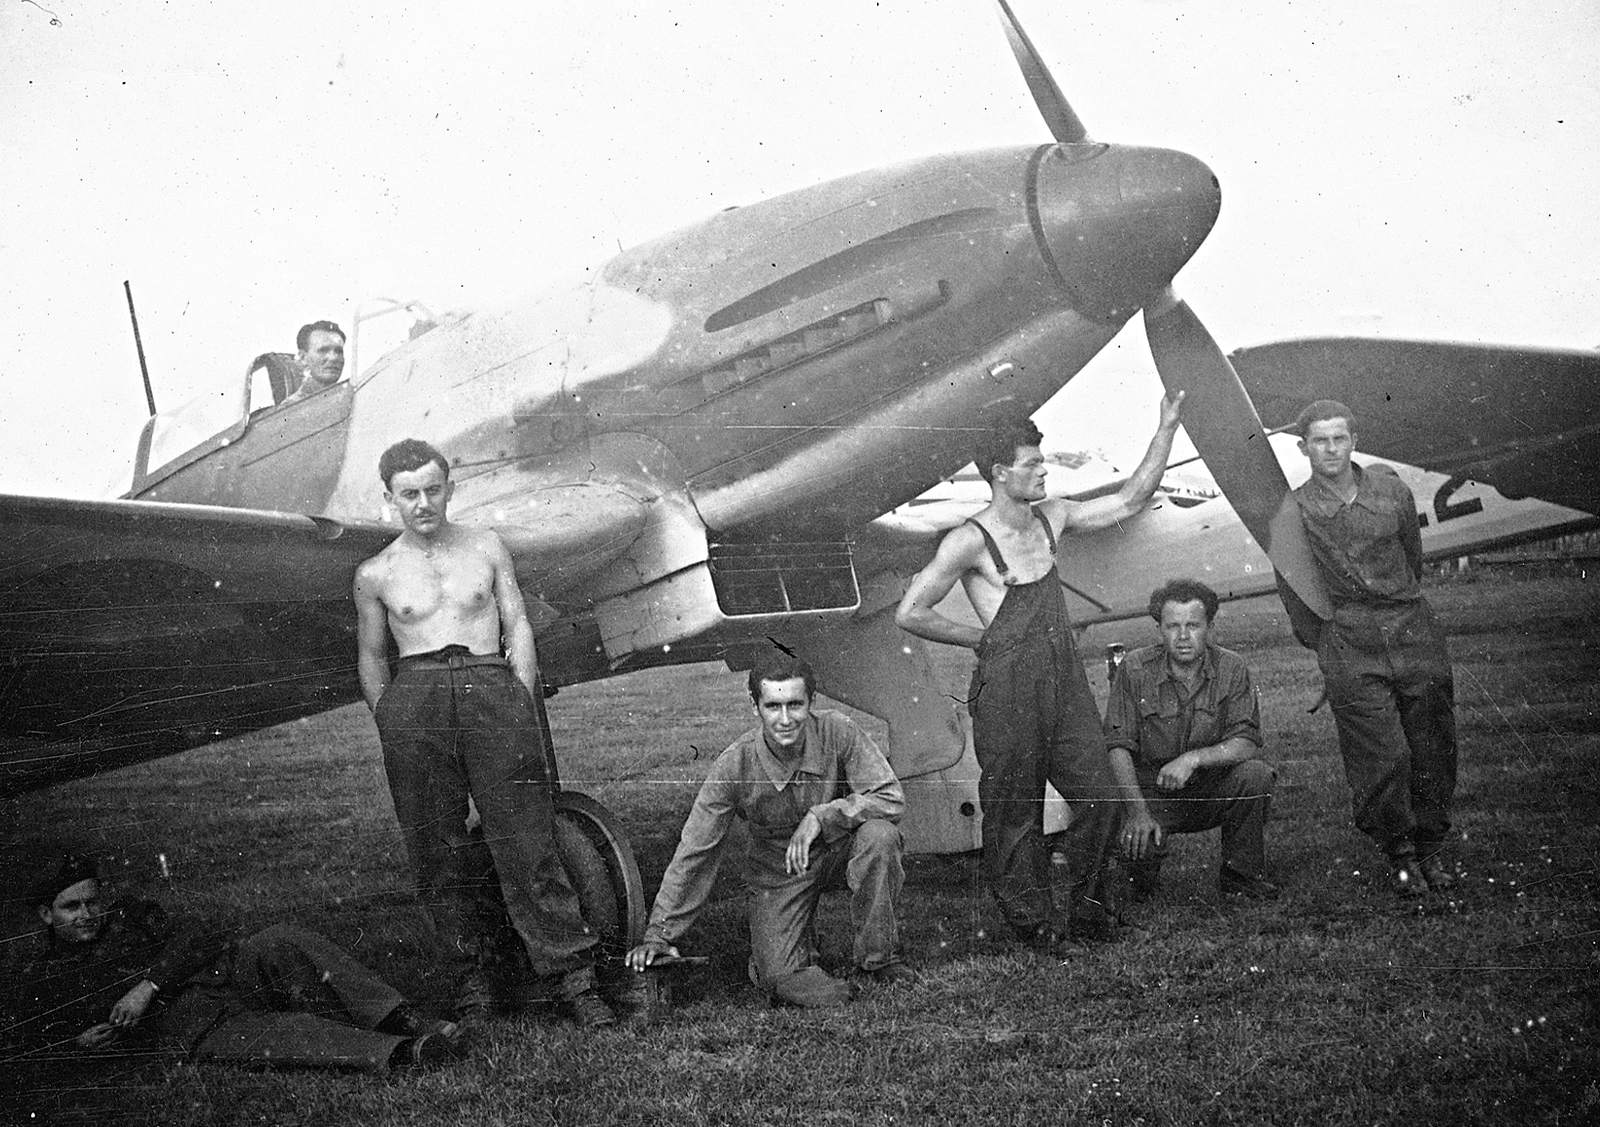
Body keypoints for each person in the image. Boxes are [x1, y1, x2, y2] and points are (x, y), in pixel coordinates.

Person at [894, 392, 1184, 952]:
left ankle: (1088, 910)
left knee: (1101, 795)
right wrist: (983, 639)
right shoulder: (968, 541)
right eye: (1032, 464)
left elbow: (1131, 498)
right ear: (1001, 474)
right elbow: (912, 612)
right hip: (1007, 689)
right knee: (1014, 811)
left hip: (1063, 681)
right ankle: (1036, 925)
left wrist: (1165, 427)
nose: (1043, 471)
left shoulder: (1055, 517)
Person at [353, 438, 612, 1028]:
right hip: (416, 694)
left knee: (527, 838)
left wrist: (519, 694)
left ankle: (574, 979)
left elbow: (517, 622)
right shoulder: (375, 573)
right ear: (389, 498)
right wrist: (390, 718)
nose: (424, 503)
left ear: (450, 486)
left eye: (433, 489)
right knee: (436, 850)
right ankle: (472, 984)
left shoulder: (486, 547)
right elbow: (371, 655)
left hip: (488, 684)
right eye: (409, 494)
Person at [624, 653, 914, 1008]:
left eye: (795, 704)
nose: (786, 719)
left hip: (839, 847)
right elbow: (695, 851)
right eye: (773, 706)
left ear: (812, 702)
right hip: (779, 870)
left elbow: (890, 797)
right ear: (754, 706)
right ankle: (788, 950)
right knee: (778, 978)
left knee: (880, 836)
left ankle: (878, 960)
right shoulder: (735, 764)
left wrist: (823, 817)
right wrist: (659, 934)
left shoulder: (839, 730)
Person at [12, 854, 462, 1072]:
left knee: (282, 939)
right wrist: (77, 1044)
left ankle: (401, 1017)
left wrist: (147, 985)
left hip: (228, 977)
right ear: (45, 915)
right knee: (286, 1032)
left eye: (92, 903)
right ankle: (401, 1052)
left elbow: (201, 932)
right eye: (72, 908)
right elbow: (28, 1046)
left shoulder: (129, 914)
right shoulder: (43, 976)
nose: (88, 916)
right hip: (194, 1026)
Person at [1277, 400, 1458, 898]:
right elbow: (1294, 590)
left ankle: (1431, 848)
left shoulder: (1391, 491)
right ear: (1303, 447)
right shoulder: (1294, 509)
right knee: (1380, 755)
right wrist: (1328, 645)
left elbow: (1412, 557)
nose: (1330, 449)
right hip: (1349, 637)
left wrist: (1401, 609)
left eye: (1339, 438)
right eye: (1319, 441)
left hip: (1411, 629)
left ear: (1354, 441)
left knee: (1432, 744)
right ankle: (1399, 853)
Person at [1103, 579, 1278, 903]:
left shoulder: (1231, 667)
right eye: (1173, 626)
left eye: (1193, 625)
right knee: (1135, 888)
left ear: (1209, 627)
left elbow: (1246, 741)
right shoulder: (1135, 669)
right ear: (1160, 629)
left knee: (1255, 775)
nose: (1183, 636)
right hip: (1152, 794)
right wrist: (1138, 812)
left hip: (1208, 789)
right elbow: (1117, 746)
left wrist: (1192, 759)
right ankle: (1137, 866)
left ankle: (1241, 875)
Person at [282, 320, 346, 403]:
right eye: (323, 350)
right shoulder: (292, 406)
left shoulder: (348, 397)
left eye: (339, 351)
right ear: (303, 358)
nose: (333, 358)